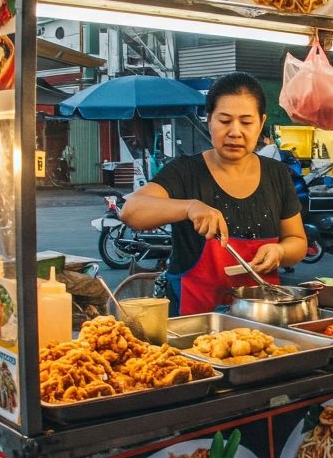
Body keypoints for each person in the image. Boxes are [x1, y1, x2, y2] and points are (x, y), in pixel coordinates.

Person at [121, 72, 306, 315]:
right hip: (195, 321)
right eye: (225, 121)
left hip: (261, 319)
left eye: (246, 122)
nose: (235, 132)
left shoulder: (277, 174)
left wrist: (280, 252)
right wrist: (189, 207)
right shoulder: (185, 171)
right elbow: (131, 211)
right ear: (209, 120)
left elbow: (297, 241)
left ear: (261, 123)